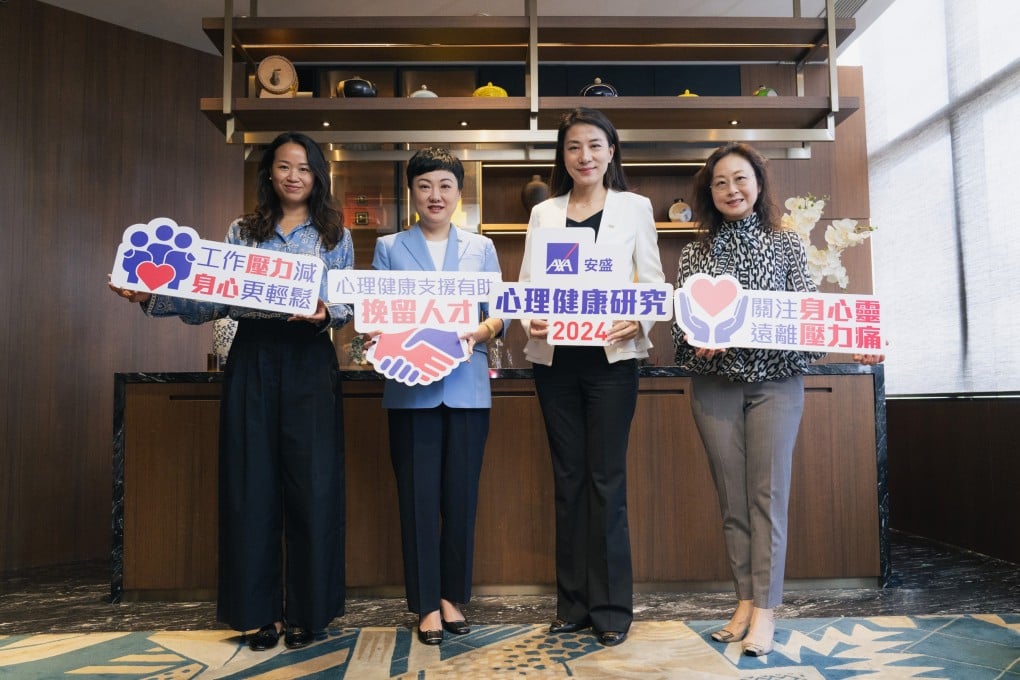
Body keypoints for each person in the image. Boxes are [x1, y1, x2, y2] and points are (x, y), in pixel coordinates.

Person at [109, 131, 353, 651]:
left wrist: (327, 311)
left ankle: (310, 613)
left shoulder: (335, 234)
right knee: (252, 486)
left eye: (304, 168)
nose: (293, 176)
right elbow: (208, 300)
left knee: (314, 488)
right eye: (284, 166)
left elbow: (347, 302)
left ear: (318, 177)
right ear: (269, 173)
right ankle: (258, 613)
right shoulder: (242, 231)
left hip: (310, 360)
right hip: (253, 359)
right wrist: (152, 297)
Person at [672, 142, 884, 657]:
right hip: (715, 383)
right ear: (709, 192)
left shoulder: (786, 245)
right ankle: (743, 601)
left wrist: (855, 338)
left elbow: (808, 324)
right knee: (732, 500)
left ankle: (765, 610)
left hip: (776, 384)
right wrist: (699, 342)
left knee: (768, 497)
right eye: (720, 182)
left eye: (740, 179)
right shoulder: (694, 252)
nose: (731, 190)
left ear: (759, 185)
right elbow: (680, 338)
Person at [519, 108, 665, 647]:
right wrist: (530, 313)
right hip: (555, 361)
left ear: (611, 152)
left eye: (595, 146)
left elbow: (652, 280)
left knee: (607, 482)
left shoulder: (635, 207)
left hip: (612, 359)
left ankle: (610, 608)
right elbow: (529, 283)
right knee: (569, 482)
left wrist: (641, 316)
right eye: (574, 147)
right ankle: (572, 604)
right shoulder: (544, 213)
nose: (585, 156)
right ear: (563, 155)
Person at [371, 147, 503, 646]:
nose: (435, 195)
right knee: (418, 500)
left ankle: (452, 597)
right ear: (412, 192)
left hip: (467, 388)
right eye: (425, 185)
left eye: (445, 185)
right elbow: (379, 312)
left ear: (459, 193)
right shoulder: (388, 247)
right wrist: (374, 331)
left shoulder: (481, 247)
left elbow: (498, 314)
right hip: (409, 387)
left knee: (461, 499)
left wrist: (479, 330)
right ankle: (425, 603)